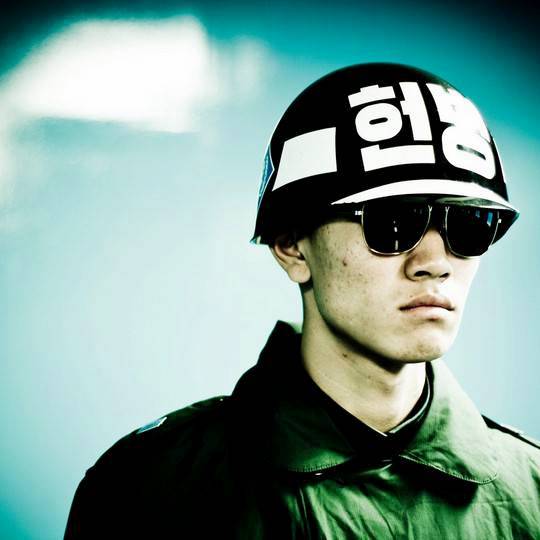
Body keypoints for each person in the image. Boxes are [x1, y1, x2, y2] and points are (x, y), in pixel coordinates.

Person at [64, 63, 540, 539]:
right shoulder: (147, 489)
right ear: (291, 245)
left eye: (471, 225)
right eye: (392, 223)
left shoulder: (532, 493)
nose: (435, 262)